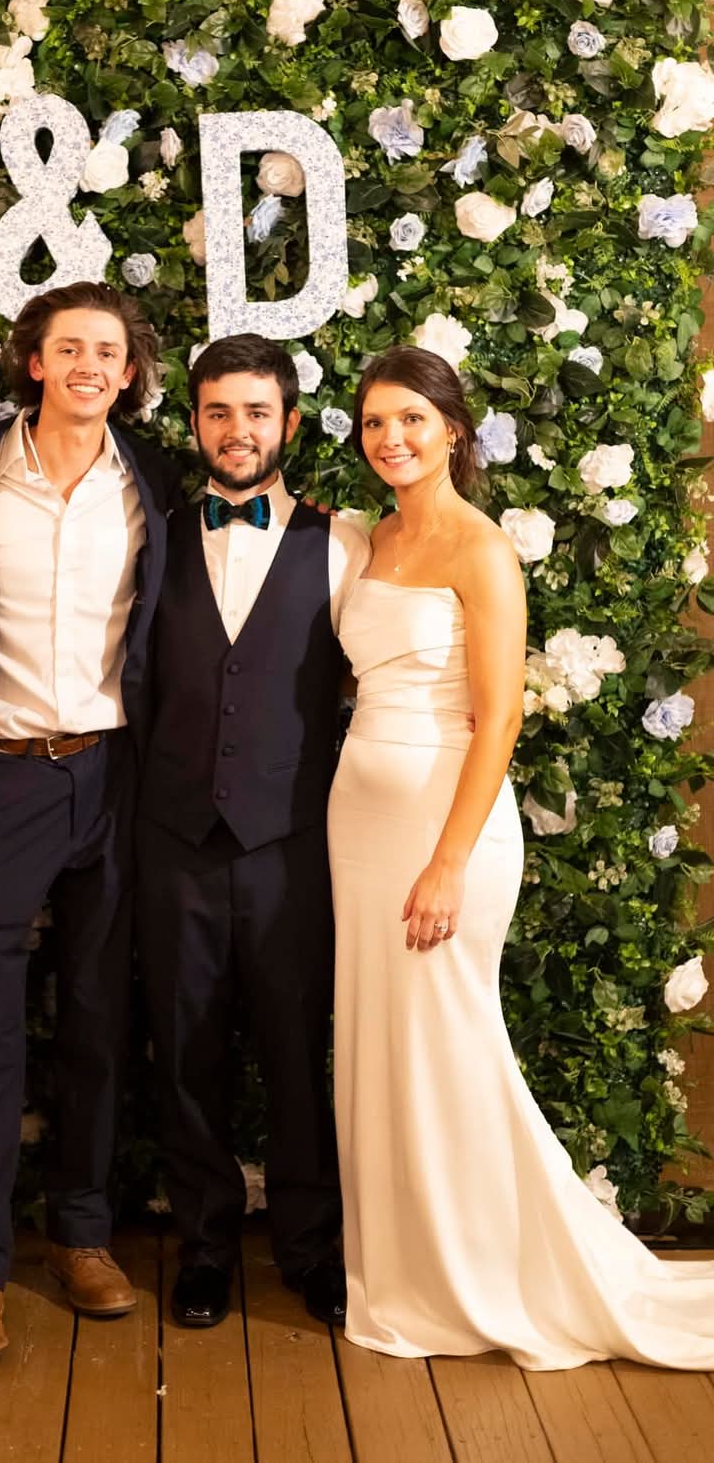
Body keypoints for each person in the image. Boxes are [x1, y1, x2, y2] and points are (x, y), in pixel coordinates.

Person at [330, 343, 714, 1370]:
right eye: (374, 422)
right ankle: (404, 1272)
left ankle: (482, 1275)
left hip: (444, 821)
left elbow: (499, 717)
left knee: (450, 1044)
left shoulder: (481, 548)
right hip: (356, 823)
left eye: (411, 417)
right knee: (381, 1041)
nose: (392, 437)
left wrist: (448, 861)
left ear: (454, 428)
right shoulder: (365, 537)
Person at [0, 281, 183, 1366]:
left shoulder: (154, 479)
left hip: (113, 773)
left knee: (95, 1014)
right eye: (68, 347)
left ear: (131, 372)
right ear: (32, 360)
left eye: (109, 350)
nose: (89, 364)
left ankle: (83, 1231)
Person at [136, 334, 369, 1331]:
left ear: (290, 421)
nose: (238, 430)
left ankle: (313, 1247)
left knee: (296, 1050)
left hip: (291, 847)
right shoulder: (151, 537)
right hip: (172, 838)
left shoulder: (346, 541)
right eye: (219, 411)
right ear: (194, 422)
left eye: (257, 411)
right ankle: (205, 1247)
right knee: (186, 1053)